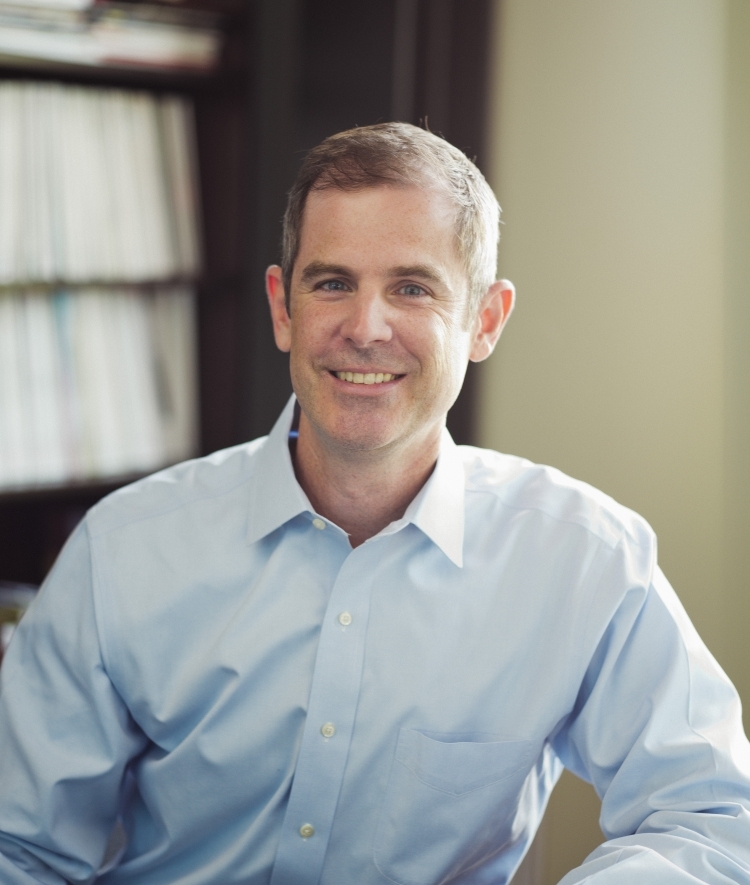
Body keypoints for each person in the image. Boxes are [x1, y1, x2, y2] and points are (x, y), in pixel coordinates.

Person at [0, 122, 749, 885]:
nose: (365, 328)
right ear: (282, 308)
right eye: (331, 283)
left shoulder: (585, 558)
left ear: (484, 320)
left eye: (412, 288)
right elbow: (16, 845)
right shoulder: (123, 549)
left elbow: (711, 819)